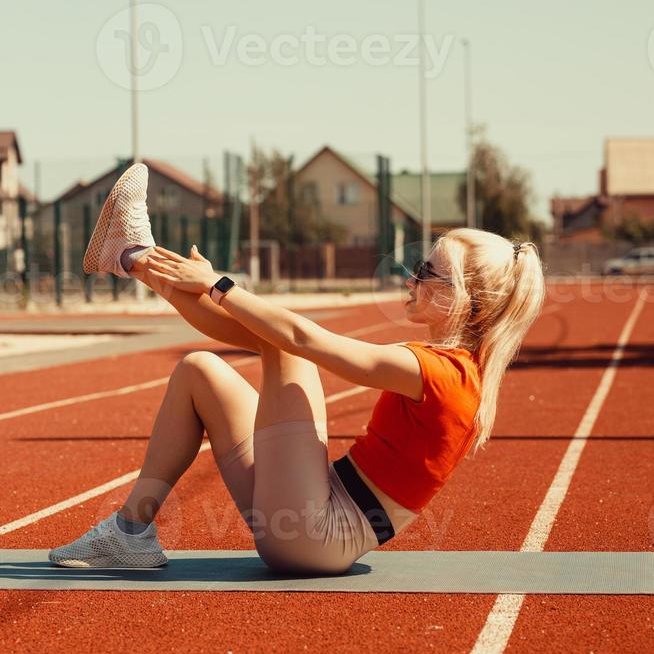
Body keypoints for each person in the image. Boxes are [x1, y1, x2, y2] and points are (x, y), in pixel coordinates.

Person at [49, 164, 546, 574]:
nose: (411, 278)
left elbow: (304, 340)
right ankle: (130, 532)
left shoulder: (445, 375)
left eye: (427, 271)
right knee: (199, 370)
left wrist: (219, 284)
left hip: (319, 533)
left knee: (288, 346)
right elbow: (279, 335)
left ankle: (134, 254)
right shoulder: (447, 367)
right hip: (314, 511)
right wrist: (213, 288)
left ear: (469, 303)